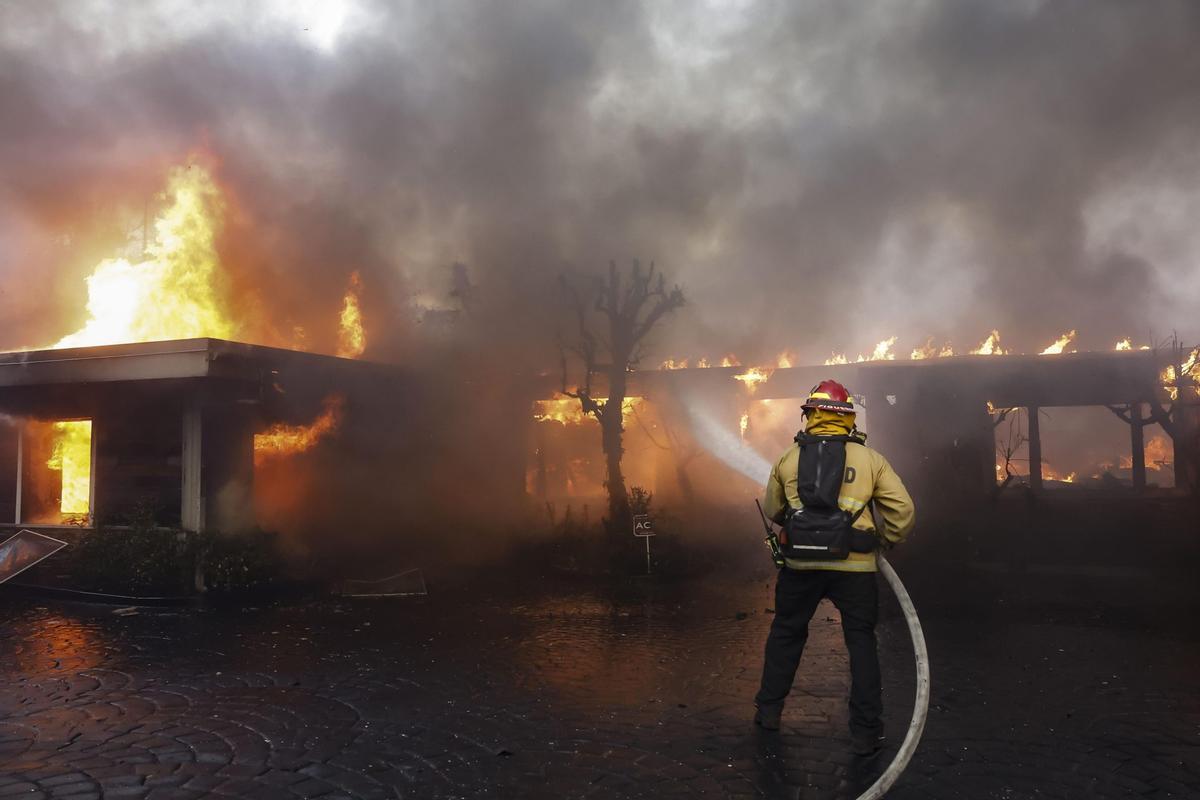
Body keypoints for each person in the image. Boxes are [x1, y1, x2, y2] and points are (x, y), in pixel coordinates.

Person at [753, 379, 915, 756]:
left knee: (787, 634)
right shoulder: (871, 459)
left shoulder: (788, 458)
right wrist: (885, 540)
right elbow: (903, 512)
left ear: (811, 414)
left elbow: (775, 510)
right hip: (855, 568)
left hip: (799, 566)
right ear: (847, 418)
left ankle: (769, 713)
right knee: (861, 643)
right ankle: (864, 732)